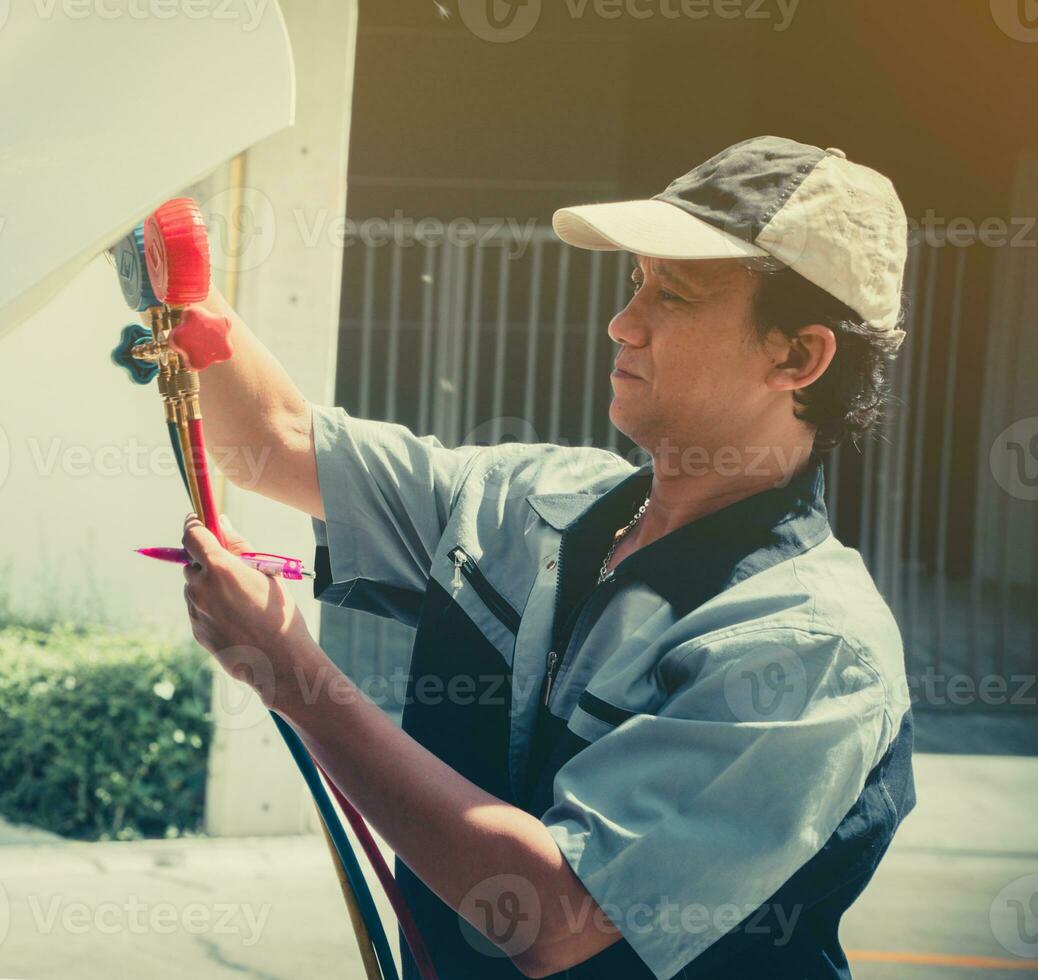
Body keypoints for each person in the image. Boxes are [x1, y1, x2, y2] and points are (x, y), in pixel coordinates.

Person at [175, 135, 915, 979]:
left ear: (798, 356)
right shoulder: (534, 502)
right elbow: (274, 442)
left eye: (673, 293)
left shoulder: (811, 647)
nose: (623, 322)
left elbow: (546, 913)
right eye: (637, 282)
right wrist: (178, 288)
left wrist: (294, 677)